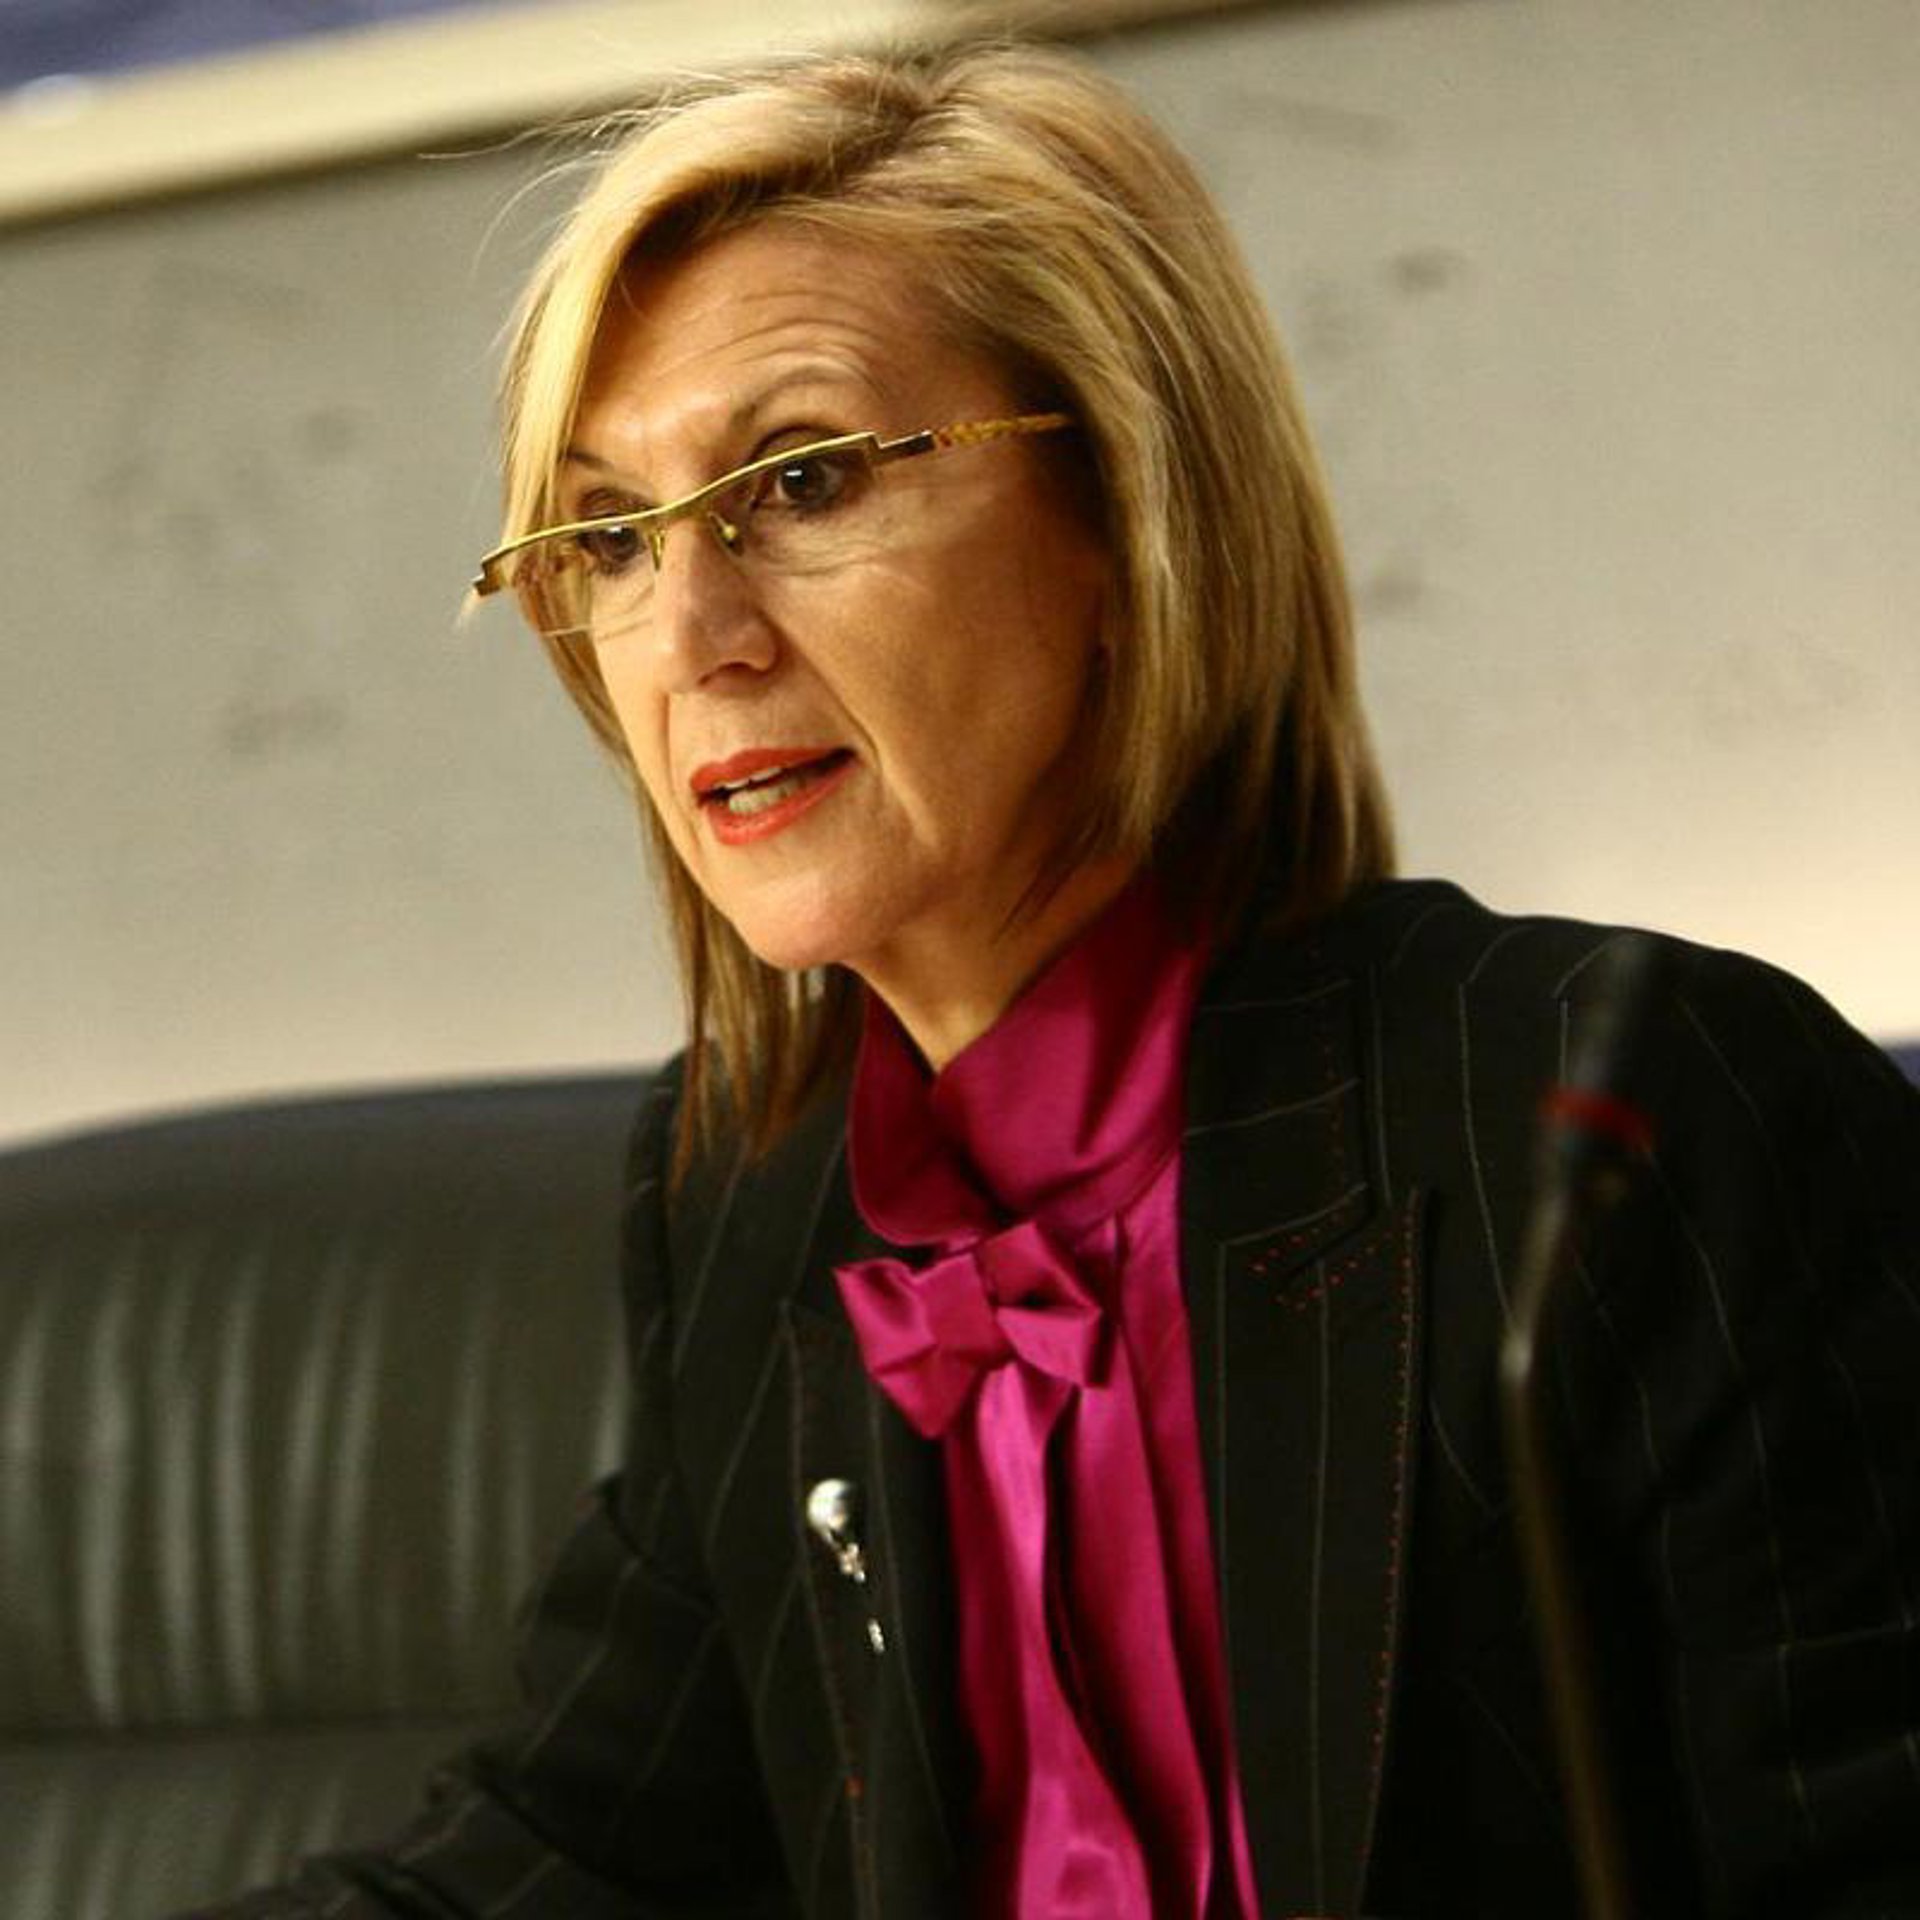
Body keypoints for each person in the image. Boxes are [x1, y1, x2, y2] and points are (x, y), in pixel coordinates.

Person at [192, 39, 1920, 1920]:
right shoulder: (751, 1201)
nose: (691, 633)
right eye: (610, 534)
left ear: (1125, 512)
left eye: (805, 478)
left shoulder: (1635, 1115)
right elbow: (567, 1853)